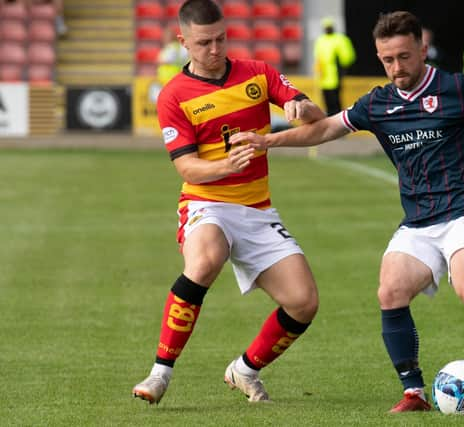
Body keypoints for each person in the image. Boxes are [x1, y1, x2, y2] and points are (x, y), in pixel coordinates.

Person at [231, 10, 464, 413]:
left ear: (422, 48)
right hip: (418, 219)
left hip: (462, 209)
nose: (396, 67)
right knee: (390, 291)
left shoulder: (455, 86)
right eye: (387, 60)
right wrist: (268, 142)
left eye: (404, 56)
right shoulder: (378, 103)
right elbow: (326, 129)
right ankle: (414, 394)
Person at [131, 0, 325, 405]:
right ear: (183, 41)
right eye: (204, 42)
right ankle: (159, 374)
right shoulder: (174, 96)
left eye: (221, 38)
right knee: (204, 260)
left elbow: (316, 118)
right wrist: (225, 166)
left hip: (258, 209)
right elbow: (187, 168)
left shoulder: (258, 73)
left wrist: (301, 107)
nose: (215, 49)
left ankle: (244, 369)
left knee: (304, 303)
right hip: (207, 204)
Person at [313, 16, 356, 115]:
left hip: (336, 74)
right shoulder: (321, 40)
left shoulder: (340, 39)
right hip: (323, 76)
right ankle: (330, 116)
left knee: (335, 99)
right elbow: (317, 56)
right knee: (326, 98)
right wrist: (317, 67)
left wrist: (342, 66)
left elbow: (348, 56)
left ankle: (337, 117)